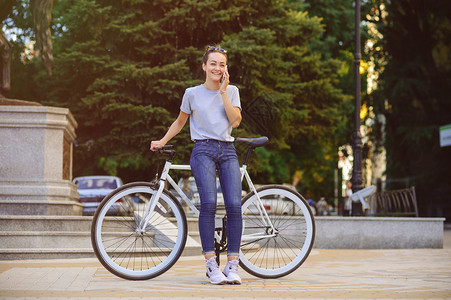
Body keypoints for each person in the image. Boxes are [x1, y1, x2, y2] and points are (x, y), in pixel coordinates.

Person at [150, 45, 243, 285]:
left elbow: (235, 122)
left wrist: (223, 92)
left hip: (228, 150)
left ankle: (233, 265)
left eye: (222, 64)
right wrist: (162, 140)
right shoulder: (192, 93)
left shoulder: (232, 91)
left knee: (234, 205)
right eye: (213, 63)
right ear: (204, 66)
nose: (217, 68)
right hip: (202, 150)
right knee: (209, 204)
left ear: (226, 69)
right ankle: (211, 265)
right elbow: (180, 122)